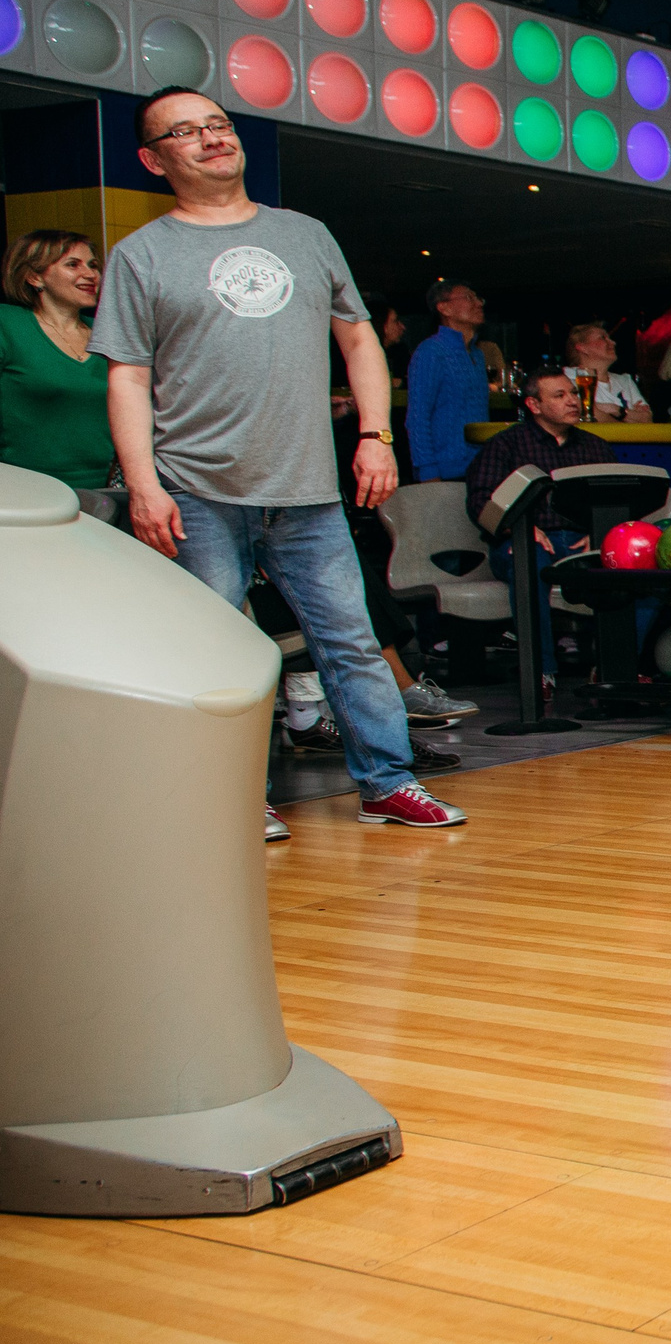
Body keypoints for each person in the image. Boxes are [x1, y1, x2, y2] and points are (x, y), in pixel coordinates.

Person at [95, 84, 464, 835]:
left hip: (305, 488)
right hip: (194, 487)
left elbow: (357, 337)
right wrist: (143, 486)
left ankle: (387, 783)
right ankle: (234, 795)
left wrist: (376, 436)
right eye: (186, 131)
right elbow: (127, 376)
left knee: (352, 642)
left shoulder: (305, 233)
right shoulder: (142, 254)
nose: (212, 137)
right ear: (153, 159)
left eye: (218, 124)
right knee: (221, 652)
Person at [466, 369, 615, 686]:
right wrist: (520, 528)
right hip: (526, 540)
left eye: (573, 393)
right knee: (529, 560)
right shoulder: (506, 445)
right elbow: (480, 502)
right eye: (560, 395)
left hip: (581, 542)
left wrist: (600, 533)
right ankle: (541, 673)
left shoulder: (595, 447)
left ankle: (613, 668)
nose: (572, 401)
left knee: (635, 571)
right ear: (534, 405)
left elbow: (616, 498)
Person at [0, 229, 114, 489]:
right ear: (34, 276)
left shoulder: (108, 334)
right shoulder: (8, 324)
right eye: (73, 265)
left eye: (93, 265)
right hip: (27, 490)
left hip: (106, 491)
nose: (90, 274)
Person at [407, 278, 490, 481]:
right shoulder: (431, 351)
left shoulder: (477, 354)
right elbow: (417, 418)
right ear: (444, 308)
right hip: (445, 471)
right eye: (469, 297)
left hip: (480, 469)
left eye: (478, 298)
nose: (478, 303)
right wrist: (428, 471)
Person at [565, 321, 650, 422]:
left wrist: (614, 409)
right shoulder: (566, 377)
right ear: (582, 347)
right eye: (603, 338)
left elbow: (647, 419)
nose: (613, 343)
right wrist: (629, 416)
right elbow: (581, 412)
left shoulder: (625, 381)